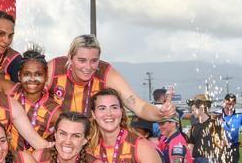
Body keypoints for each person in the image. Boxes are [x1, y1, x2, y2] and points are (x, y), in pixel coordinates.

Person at [46, 35, 176, 121]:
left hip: (92, 143)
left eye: (94, 61)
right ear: (70, 57)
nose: (88, 67)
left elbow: (139, 106)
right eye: (82, 60)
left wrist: (160, 112)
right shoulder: (54, 68)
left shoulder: (106, 73)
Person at [9, 50, 61, 150]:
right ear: (19, 75)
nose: (32, 79)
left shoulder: (54, 111)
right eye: (27, 74)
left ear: (46, 77)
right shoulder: (11, 91)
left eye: (38, 74)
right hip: (7, 161)